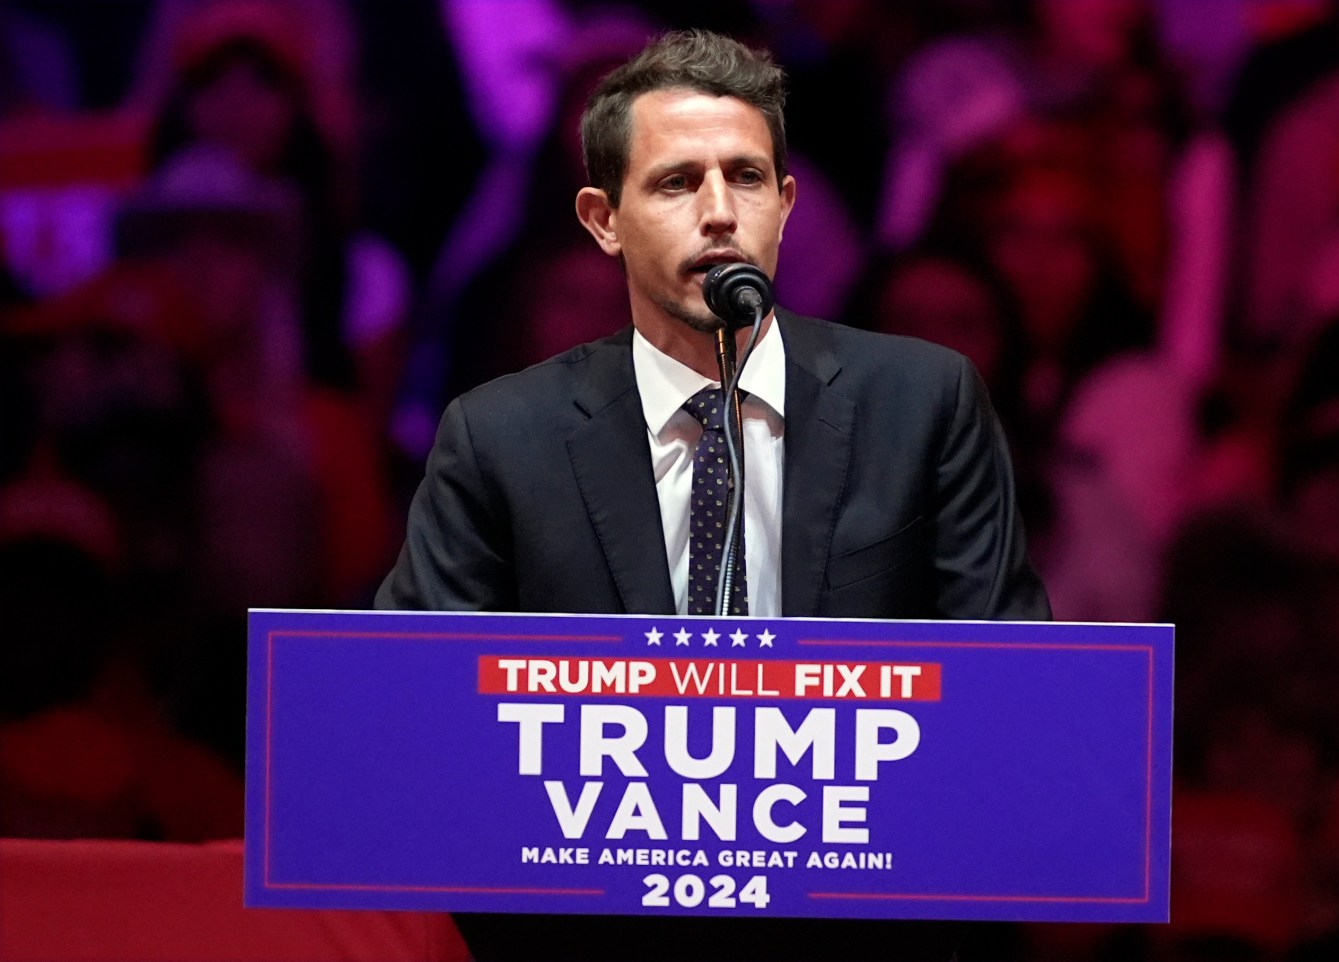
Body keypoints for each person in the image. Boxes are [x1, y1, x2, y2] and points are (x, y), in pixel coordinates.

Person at [377, 29, 1049, 962]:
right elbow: (410, 725)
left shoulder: (923, 404)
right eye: (674, 182)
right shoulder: (501, 436)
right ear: (602, 219)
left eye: (745, 178)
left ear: (787, 204)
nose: (718, 214)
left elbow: (1011, 708)